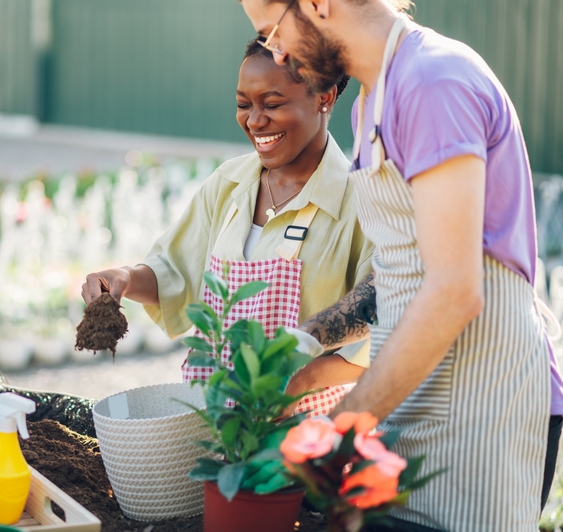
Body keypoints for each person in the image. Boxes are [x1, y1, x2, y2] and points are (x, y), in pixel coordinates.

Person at [240, 0, 563, 530]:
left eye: (273, 33)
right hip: (416, 395)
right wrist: (302, 345)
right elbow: (402, 267)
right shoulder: (371, 103)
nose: (276, 53)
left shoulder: (434, 83)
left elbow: (453, 292)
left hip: (483, 404)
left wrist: (338, 428)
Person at [82, 40, 374, 417]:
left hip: (305, 426)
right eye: (243, 105)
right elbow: (176, 273)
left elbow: (386, 323)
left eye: (272, 104)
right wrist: (124, 278)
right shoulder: (229, 184)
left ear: (325, 97)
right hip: (213, 417)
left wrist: (301, 379)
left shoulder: (360, 202)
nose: (254, 121)